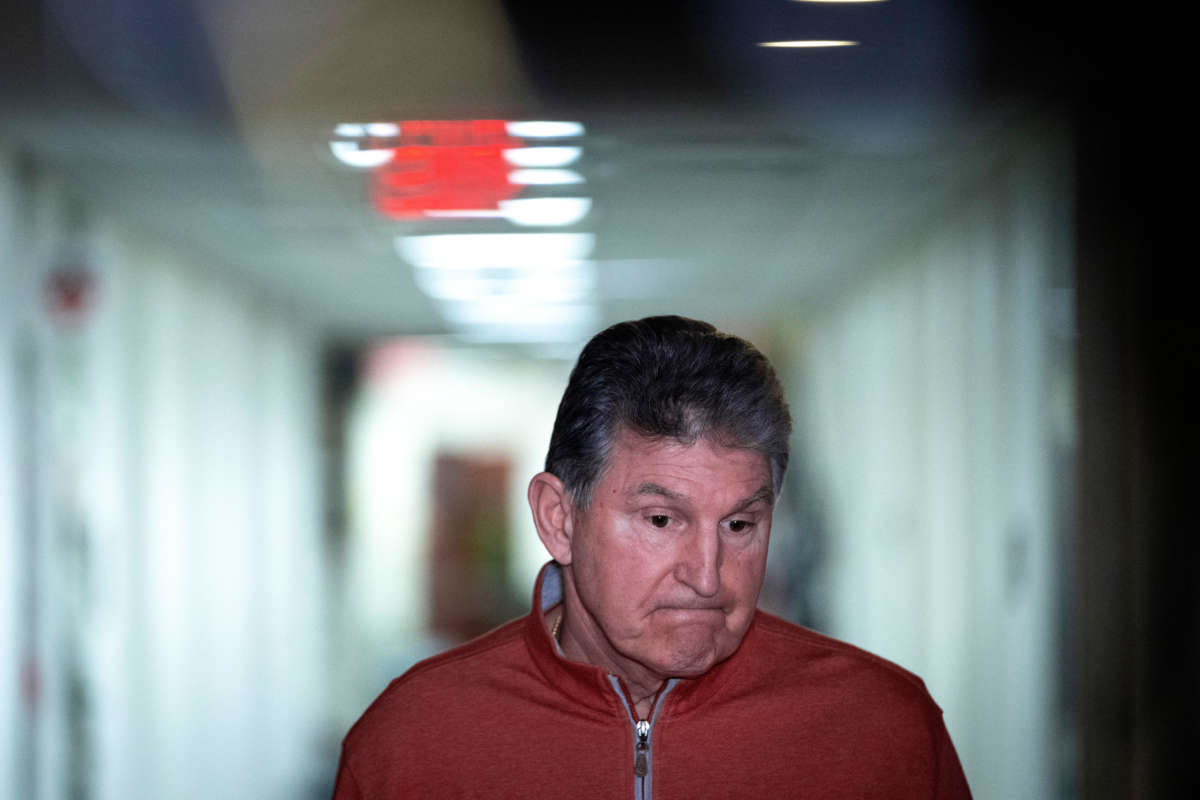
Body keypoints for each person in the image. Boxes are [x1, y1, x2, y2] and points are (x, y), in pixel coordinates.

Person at [331, 315, 971, 799]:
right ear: (559, 519)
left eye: (741, 523)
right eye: (662, 520)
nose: (707, 574)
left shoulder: (885, 730)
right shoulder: (412, 741)